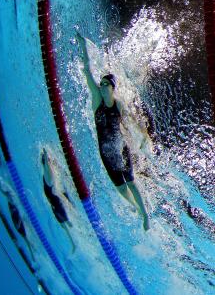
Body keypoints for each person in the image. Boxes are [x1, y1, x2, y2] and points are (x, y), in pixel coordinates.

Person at [76, 32, 150, 230]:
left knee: (131, 183)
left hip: (120, 150)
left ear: (112, 87)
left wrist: (143, 138)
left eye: (105, 84)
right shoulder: (97, 100)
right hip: (106, 154)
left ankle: (145, 216)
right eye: (100, 84)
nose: (100, 86)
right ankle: (134, 207)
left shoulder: (118, 105)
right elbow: (87, 71)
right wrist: (83, 46)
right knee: (120, 188)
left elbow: (134, 122)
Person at [41, 148, 77, 252]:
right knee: (64, 225)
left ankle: (77, 242)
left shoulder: (48, 177)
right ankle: (74, 244)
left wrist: (47, 156)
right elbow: (48, 168)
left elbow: (49, 169)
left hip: (57, 204)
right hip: (55, 205)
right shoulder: (46, 176)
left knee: (69, 224)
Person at [0, 176, 37, 267]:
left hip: (17, 223)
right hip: (18, 223)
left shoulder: (19, 225)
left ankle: (33, 252)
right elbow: (17, 218)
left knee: (26, 238)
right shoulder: (19, 226)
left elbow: (17, 217)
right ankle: (33, 253)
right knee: (26, 238)